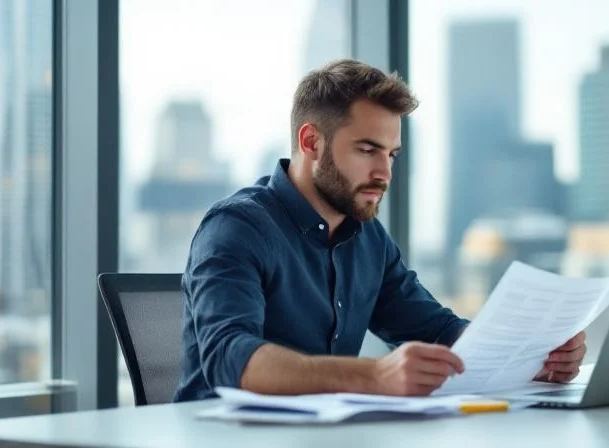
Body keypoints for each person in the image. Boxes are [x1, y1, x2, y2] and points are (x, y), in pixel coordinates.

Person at [173, 59, 585, 402]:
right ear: (311, 141)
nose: (384, 172)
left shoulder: (367, 238)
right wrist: (375, 377)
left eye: (391, 154)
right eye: (368, 150)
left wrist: (531, 357)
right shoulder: (236, 228)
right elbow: (230, 358)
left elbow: (437, 331)